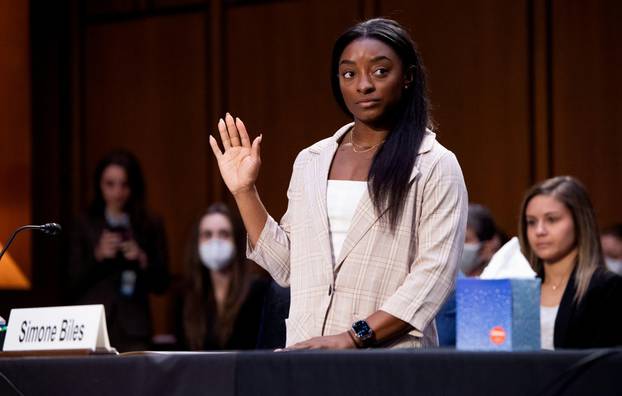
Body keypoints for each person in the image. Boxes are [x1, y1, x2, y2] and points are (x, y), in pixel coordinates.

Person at [209, 18, 467, 349]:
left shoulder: (435, 163)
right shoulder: (311, 160)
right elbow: (288, 268)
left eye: (380, 71)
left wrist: (353, 337)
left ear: (408, 77)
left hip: (389, 361)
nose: (363, 85)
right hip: (308, 356)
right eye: (349, 74)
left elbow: (433, 277)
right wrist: (245, 192)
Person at [68, 150, 170, 352]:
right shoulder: (84, 223)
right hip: (90, 324)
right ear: (99, 184)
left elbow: (162, 283)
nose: (117, 192)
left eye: (124, 185)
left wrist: (142, 259)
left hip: (134, 328)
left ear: (134, 187)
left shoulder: (149, 223)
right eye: (110, 184)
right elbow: (69, 283)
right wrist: (98, 256)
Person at [518, 176, 622, 349]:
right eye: (531, 222)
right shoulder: (519, 286)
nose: (539, 231)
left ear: (580, 222)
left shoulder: (607, 288)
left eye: (552, 219)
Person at [179, 203, 269, 350]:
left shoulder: (259, 292)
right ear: (197, 242)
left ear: (237, 241)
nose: (215, 242)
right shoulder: (187, 295)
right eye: (207, 235)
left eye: (224, 234)